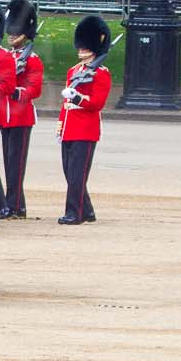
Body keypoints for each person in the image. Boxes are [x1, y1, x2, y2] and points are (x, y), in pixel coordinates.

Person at [57, 15, 112, 225]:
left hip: (85, 129)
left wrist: (77, 97)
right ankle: (87, 210)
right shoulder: (74, 71)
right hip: (69, 128)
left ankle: (74, 213)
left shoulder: (101, 74)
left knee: (77, 175)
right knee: (69, 172)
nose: (80, 50)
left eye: (84, 47)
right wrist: (61, 124)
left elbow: (97, 103)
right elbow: (65, 104)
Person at [0, 0, 43, 219]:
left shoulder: (32, 60)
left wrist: (16, 91)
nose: (12, 36)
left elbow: (35, 89)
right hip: (5, 115)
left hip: (21, 116)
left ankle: (13, 205)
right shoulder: (6, 56)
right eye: (10, 32)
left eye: (16, 32)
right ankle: (14, 204)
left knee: (16, 165)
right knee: (6, 159)